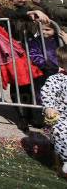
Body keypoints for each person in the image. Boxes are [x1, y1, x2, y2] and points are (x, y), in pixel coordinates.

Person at [0, 0, 49, 131]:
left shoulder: (29, 7)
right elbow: (10, 14)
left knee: (34, 82)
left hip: (30, 49)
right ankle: (22, 117)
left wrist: (35, 10)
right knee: (19, 84)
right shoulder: (3, 10)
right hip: (12, 51)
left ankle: (36, 115)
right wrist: (30, 12)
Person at [41, 45, 67, 176]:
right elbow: (47, 94)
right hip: (62, 117)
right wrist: (49, 107)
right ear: (62, 64)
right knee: (61, 130)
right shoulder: (55, 79)